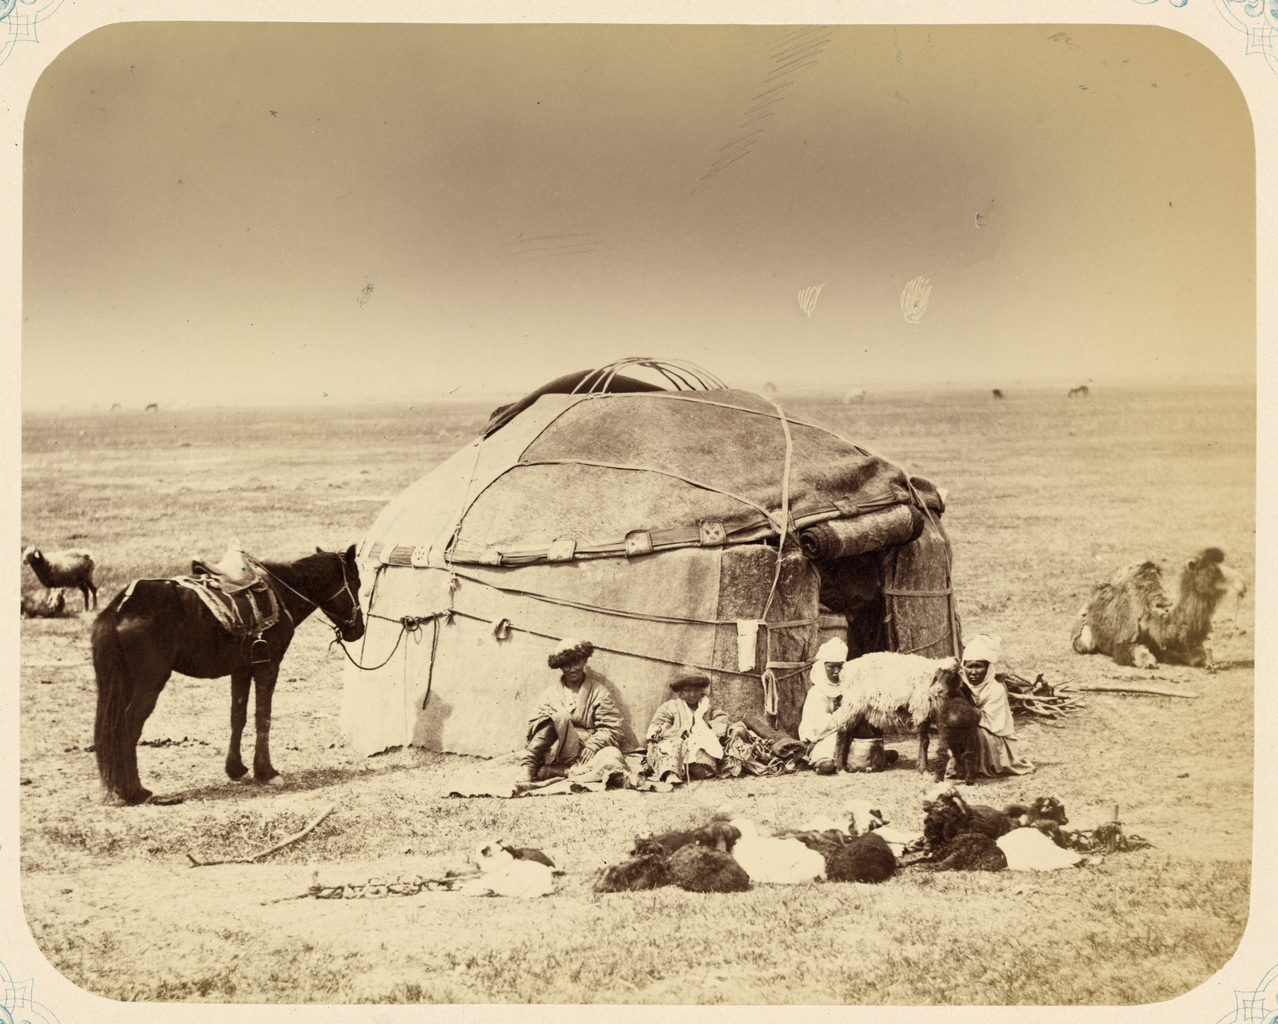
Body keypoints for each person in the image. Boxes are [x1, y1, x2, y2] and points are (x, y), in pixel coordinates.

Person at [519, 638, 624, 783]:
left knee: (613, 757)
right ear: (560, 667)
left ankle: (562, 772)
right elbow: (535, 725)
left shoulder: (599, 692)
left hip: (586, 750)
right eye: (566, 665)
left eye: (576, 663)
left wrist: (593, 745)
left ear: (585, 661)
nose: (572, 669)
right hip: (557, 749)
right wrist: (561, 722)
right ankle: (529, 766)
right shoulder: (551, 693)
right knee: (559, 716)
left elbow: (611, 727)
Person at [960, 633, 1034, 776]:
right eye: (969, 666)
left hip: (993, 736)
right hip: (970, 729)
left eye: (979, 667)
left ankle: (976, 766)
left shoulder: (995, 689)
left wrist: (965, 712)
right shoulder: (960, 685)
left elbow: (993, 723)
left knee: (973, 732)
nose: (973, 672)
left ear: (988, 668)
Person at [644, 673, 730, 782]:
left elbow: (721, 718)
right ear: (680, 692)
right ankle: (671, 773)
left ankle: (690, 769)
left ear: (701, 691)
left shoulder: (708, 706)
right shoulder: (670, 707)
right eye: (687, 690)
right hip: (675, 744)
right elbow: (655, 728)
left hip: (699, 744)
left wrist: (710, 730)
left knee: (704, 769)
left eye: (696, 690)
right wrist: (674, 732)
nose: (692, 694)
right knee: (674, 746)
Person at [798, 637, 848, 775]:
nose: (837, 671)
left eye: (841, 666)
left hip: (842, 727)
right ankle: (822, 760)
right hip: (820, 737)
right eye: (832, 667)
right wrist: (846, 714)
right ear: (822, 667)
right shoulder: (817, 692)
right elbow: (818, 727)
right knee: (835, 737)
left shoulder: (847, 687)